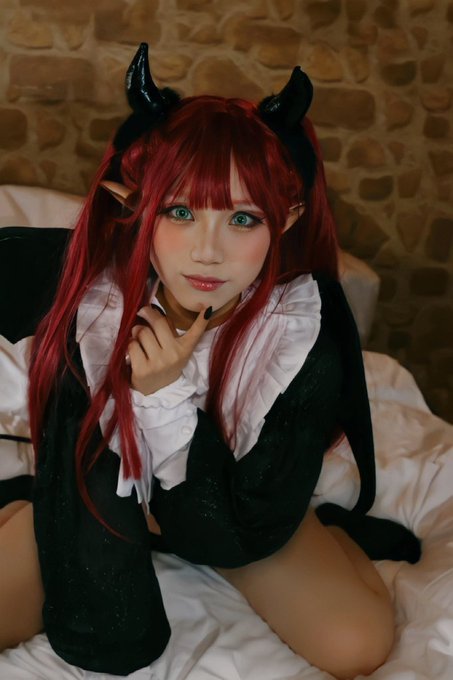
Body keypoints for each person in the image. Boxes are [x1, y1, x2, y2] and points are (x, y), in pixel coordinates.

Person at [0, 43, 421, 680]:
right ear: (133, 205)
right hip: (104, 506)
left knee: (357, 647)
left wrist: (163, 392)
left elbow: (233, 529)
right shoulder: (92, 300)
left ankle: (327, 534)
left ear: (285, 221)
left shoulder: (297, 338)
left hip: (234, 509)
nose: (208, 251)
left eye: (243, 218)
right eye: (180, 211)